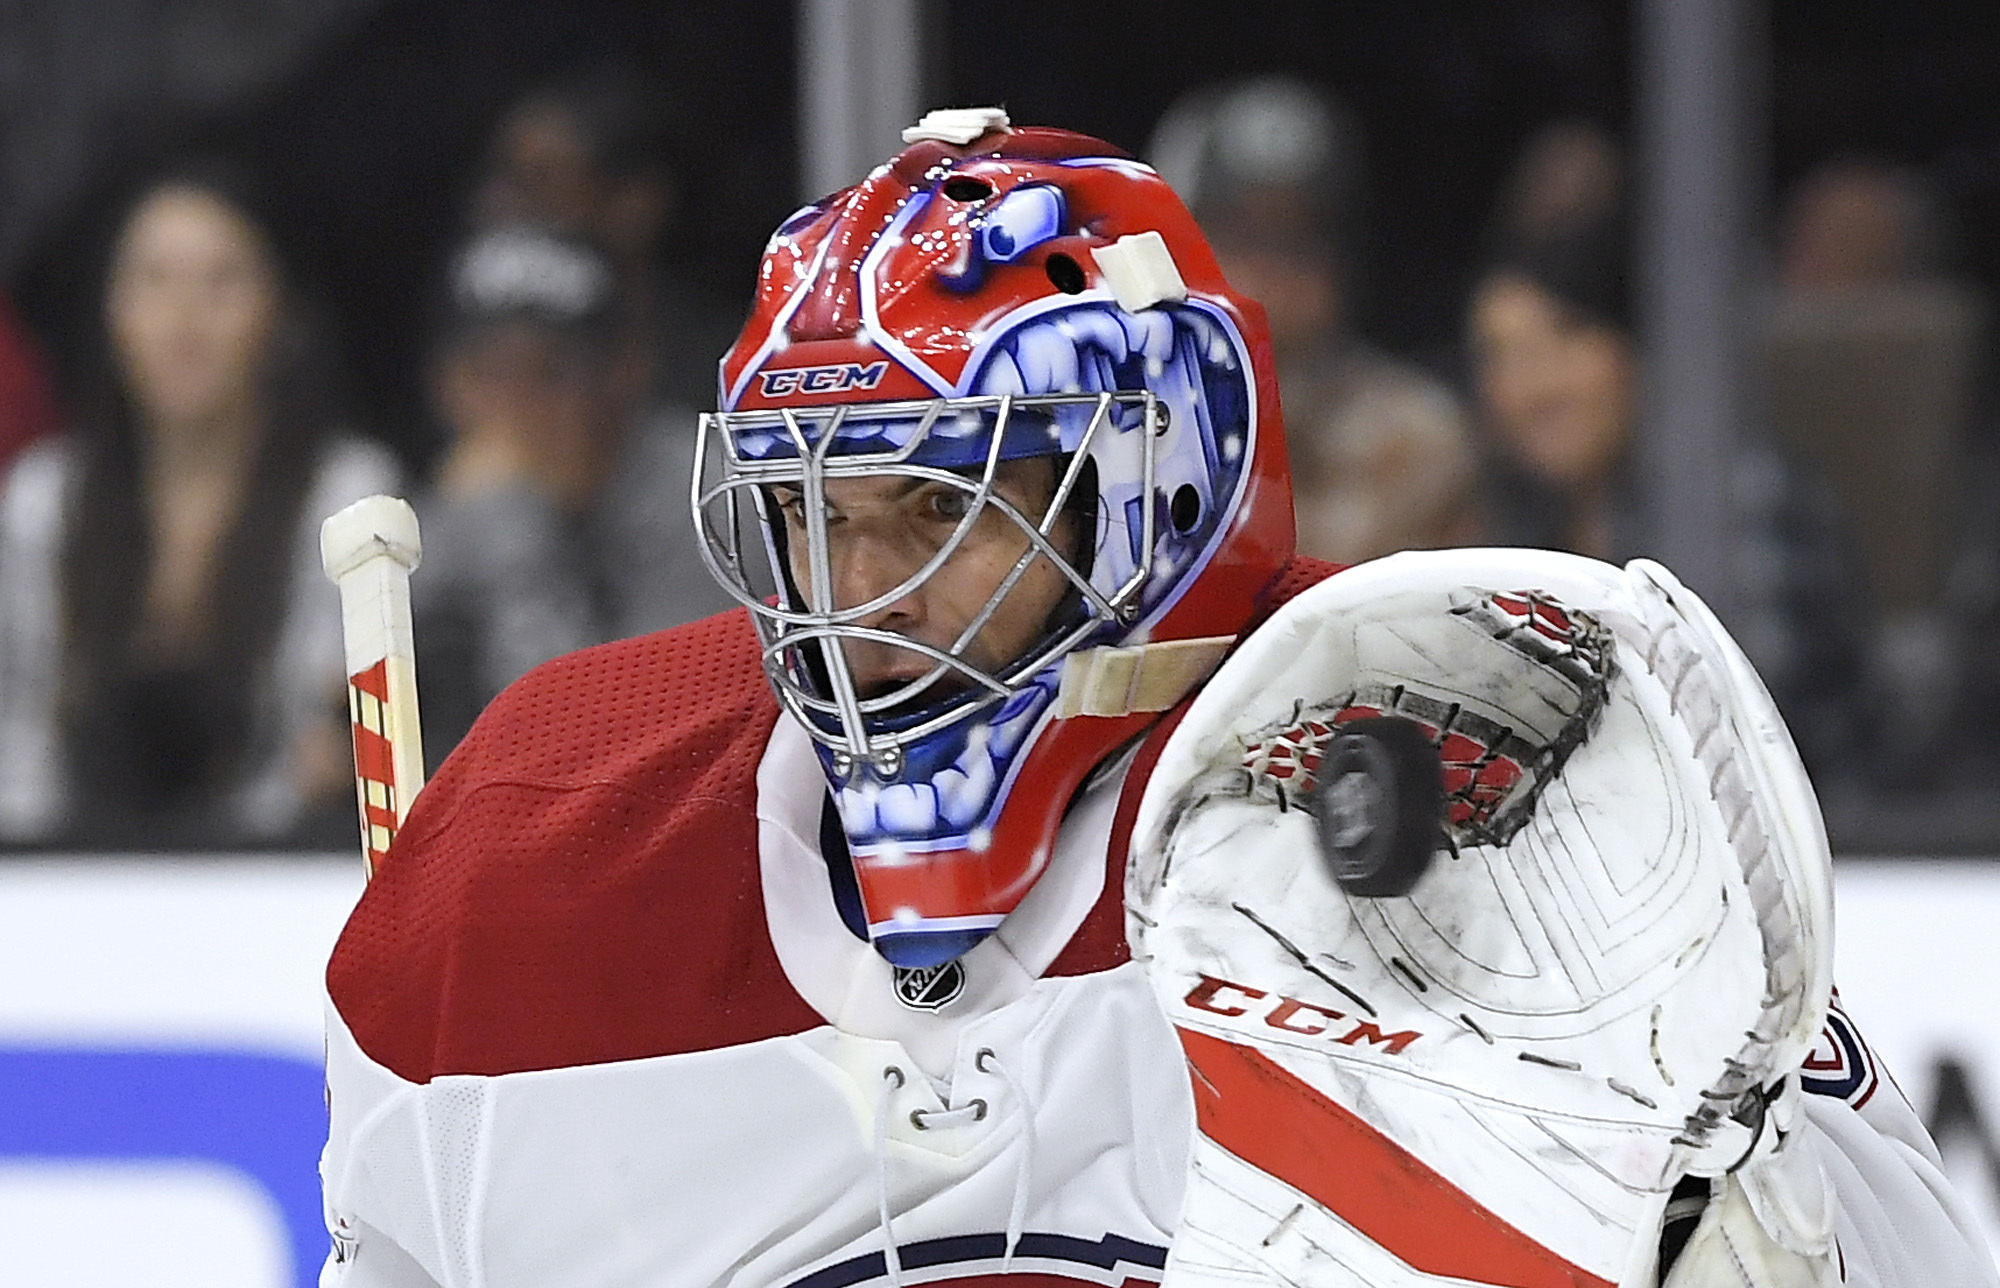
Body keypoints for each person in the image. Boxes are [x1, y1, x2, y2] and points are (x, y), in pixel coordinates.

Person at [318, 112, 1996, 1286]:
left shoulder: (1482, 799)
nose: (859, 595)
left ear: (1153, 497)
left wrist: (1725, 1203)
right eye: (813, 510)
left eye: (940, 508)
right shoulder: (534, 843)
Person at [0, 159, 398, 848]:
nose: (184, 319)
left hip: (276, 879)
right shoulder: (43, 501)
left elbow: (321, 751)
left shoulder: (348, 497)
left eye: (221, 281)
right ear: (109, 307)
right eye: (154, 281)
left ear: (281, 309)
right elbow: (23, 737)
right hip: (63, 883)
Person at [1465, 130, 1870, 773]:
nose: (1531, 389)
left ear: (1640, 352)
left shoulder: (1736, 497)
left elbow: (1749, 738)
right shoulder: (1519, 527)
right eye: (1499, 356)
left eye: (1564, 340)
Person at [411, 222, 730, 765]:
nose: (517, 411)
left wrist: (513, 527)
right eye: (490, 376)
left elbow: (614, 750)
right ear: (445, 387)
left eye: (550, 374)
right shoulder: (441, 511)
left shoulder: (704, 492)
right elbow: (334, 732)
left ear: (622, 377)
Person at [1149, 76, 1477, 565]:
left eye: (1300, 242)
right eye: (1243, 239)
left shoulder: (1418, 439)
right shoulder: (1113, 424)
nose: (1274, 278)